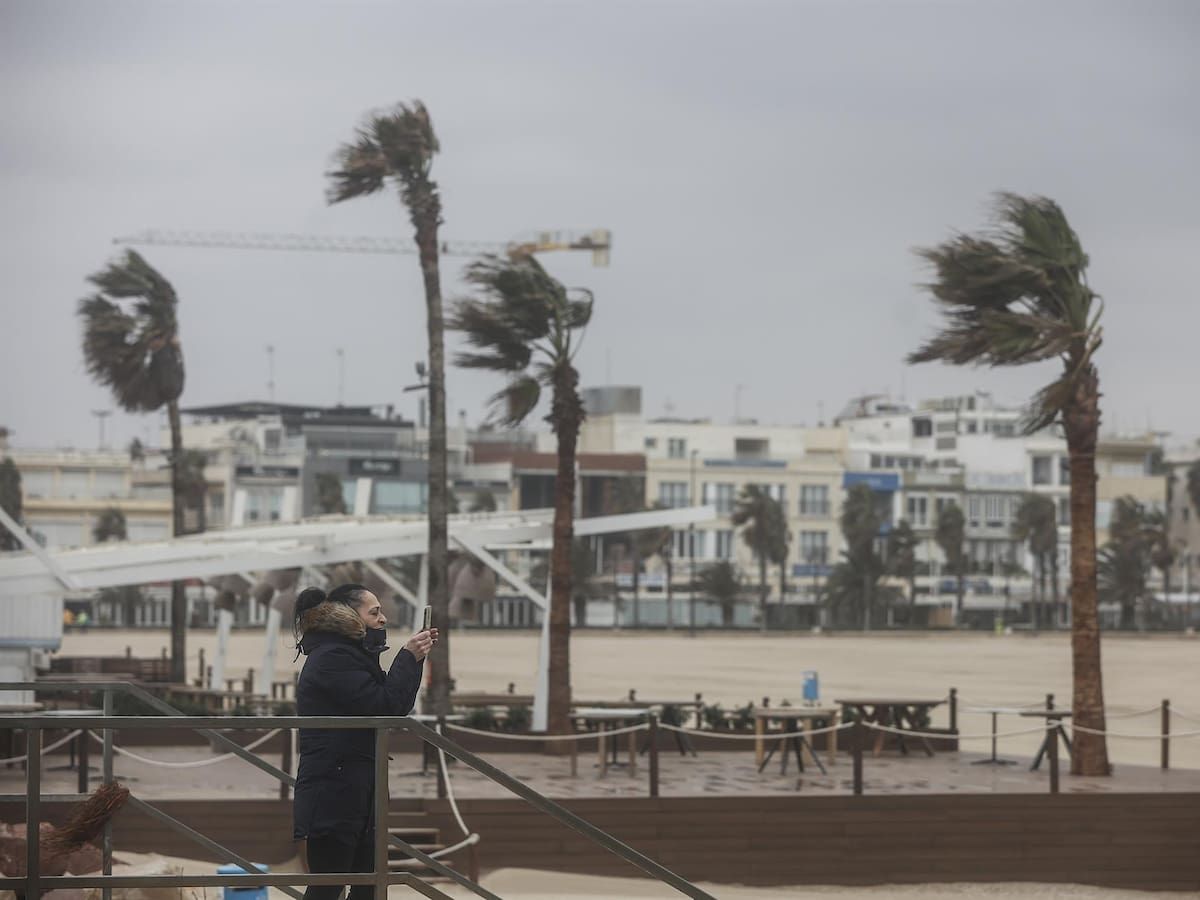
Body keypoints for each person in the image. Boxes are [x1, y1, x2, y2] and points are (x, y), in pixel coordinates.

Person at [292, 583, 437, 900]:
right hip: (335, 791)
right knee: (329, 886)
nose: (383, 619)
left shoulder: (350, 654)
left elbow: (388, 704)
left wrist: (410, 658)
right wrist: (408, 657)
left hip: (355, 789)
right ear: (349, 616)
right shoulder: (334, 658)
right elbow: (385, 707)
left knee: (366, 884)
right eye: (375, 612)